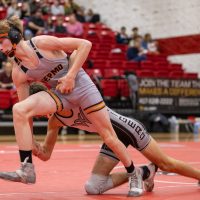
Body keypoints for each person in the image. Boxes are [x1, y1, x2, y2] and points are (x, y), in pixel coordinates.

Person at [0, 15, 143, 197]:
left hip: (81, 85)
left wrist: (70, 75)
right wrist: (31, 140)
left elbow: (85, 44)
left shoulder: (41, 43)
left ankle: (134, 172)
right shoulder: (18, 72)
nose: (0, 48)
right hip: (61, 93)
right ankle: (26, 168)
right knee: (19, 109)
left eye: (0, 42)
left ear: (12, 36)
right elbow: (26, 110)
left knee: (109, 137)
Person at [29, 82, 200, 196]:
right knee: (94, 187)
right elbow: (45, 154)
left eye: (40, 106)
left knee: (165, 164)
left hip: (127, 128)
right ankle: (144, 172)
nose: (42, 113)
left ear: (48, 96)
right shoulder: (55, 120)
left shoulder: (69, 95)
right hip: (111, 138)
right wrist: (31, 144)